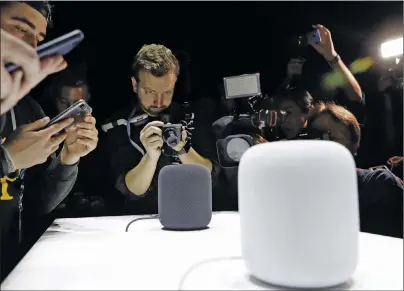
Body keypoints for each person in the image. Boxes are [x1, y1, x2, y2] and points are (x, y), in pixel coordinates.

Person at [0, 1, 98, 280]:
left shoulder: (28, 111)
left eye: (39, 39)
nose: (31, 48)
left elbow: (34, 204)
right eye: (20, 29)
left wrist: (68, 159)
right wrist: (6, 159)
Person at [102, 44, 217, 215]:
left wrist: (183, 149)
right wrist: (150, 157)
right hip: (141, 220)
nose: (158, 101)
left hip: (194, 213)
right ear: (135, 85)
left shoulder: (191, 115)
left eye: (167, 92)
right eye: (149, 91)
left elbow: (211, 176)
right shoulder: (118, 124)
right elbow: (131, 190)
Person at [307, 102, 403, 238]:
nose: (323, 147)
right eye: (316, 138)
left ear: (355, 143)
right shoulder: (305, 196)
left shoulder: (379, 185)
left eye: (332, 139)